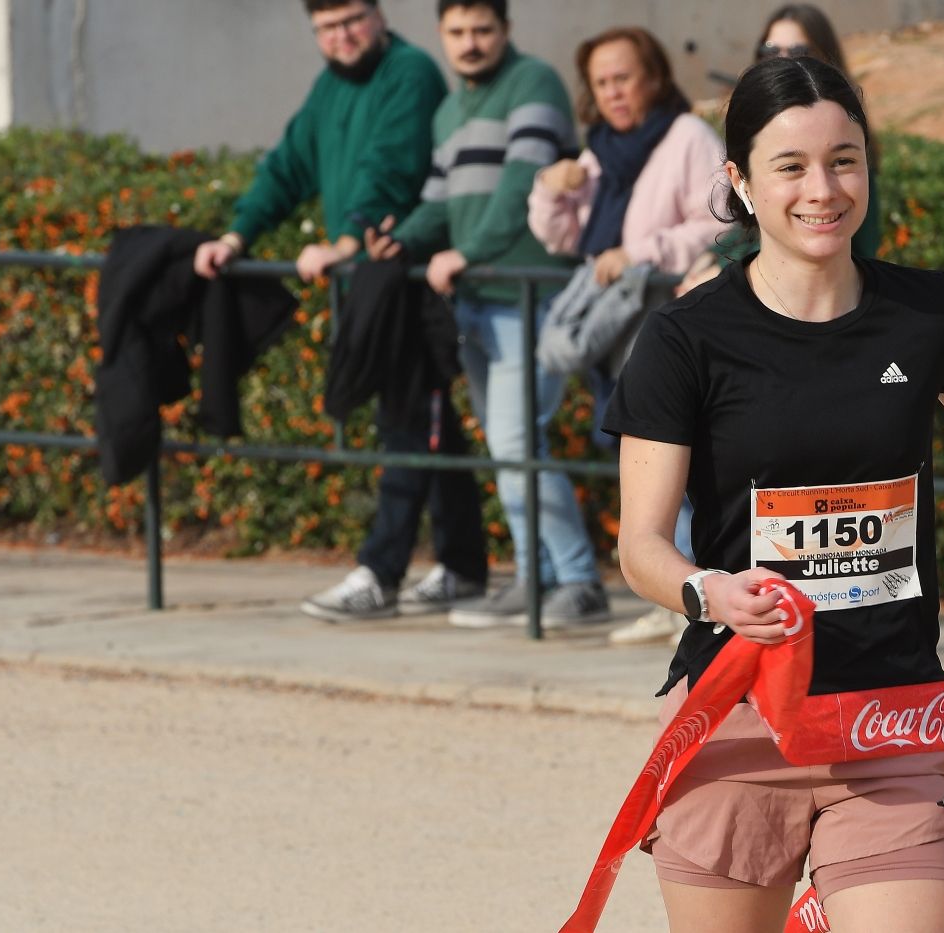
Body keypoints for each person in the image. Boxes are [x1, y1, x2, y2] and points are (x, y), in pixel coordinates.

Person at [603, 56, 944, 932]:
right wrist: (709, 590)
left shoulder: (929, 312)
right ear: (740, 182)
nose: (822, 189)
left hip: (889, 720)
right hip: (737, 720)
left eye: (845, 159)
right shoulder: (685, 338)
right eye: (790, 166)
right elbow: (640, 545)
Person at [192, 0, 487, 623]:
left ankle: (380, 573)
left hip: (405, 275)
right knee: (428, 424)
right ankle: (462, 565)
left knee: (409, 424)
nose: (342, 36)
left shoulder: (409, 73)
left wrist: (348, 242)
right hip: (373, 279)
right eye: (327, 28)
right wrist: (237, 236)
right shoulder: (329, 88)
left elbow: (394, 165)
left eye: (352, 20)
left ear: (378, 17)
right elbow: (286, 166)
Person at [366, 0, 610, 628]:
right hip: (476, 299)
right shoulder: (452, 108)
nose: (470, 43)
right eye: (457, 32)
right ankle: (539, 578)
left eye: (482, 30)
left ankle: (577, 580)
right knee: (509, 448)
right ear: (441, 36)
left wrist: (464, 252)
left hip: (529, 294)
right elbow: (439, 199)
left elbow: (523, 183)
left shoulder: (533, 84)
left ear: (505, 31)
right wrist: (399, 241)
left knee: (514, 441)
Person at [526, 27, 728, 646]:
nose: (613, 92)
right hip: (615, 335)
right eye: (601, 82)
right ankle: (678, 600)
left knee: (678, 468)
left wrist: (638, 252)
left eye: (624, 78)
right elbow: (561, 240)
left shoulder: (687, 135)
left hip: (666, 329)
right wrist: (549, 193)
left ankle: (698, 602)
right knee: (644, 472)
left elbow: (721, 218)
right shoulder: (601, 151)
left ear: (654, 77)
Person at [675, 2, 882, 296]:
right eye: (771, 51)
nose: (822, 191)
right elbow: (753, 229)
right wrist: (714, 266)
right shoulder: (684, 329)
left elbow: (863, 246)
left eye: (799, 51)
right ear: (738, 177)